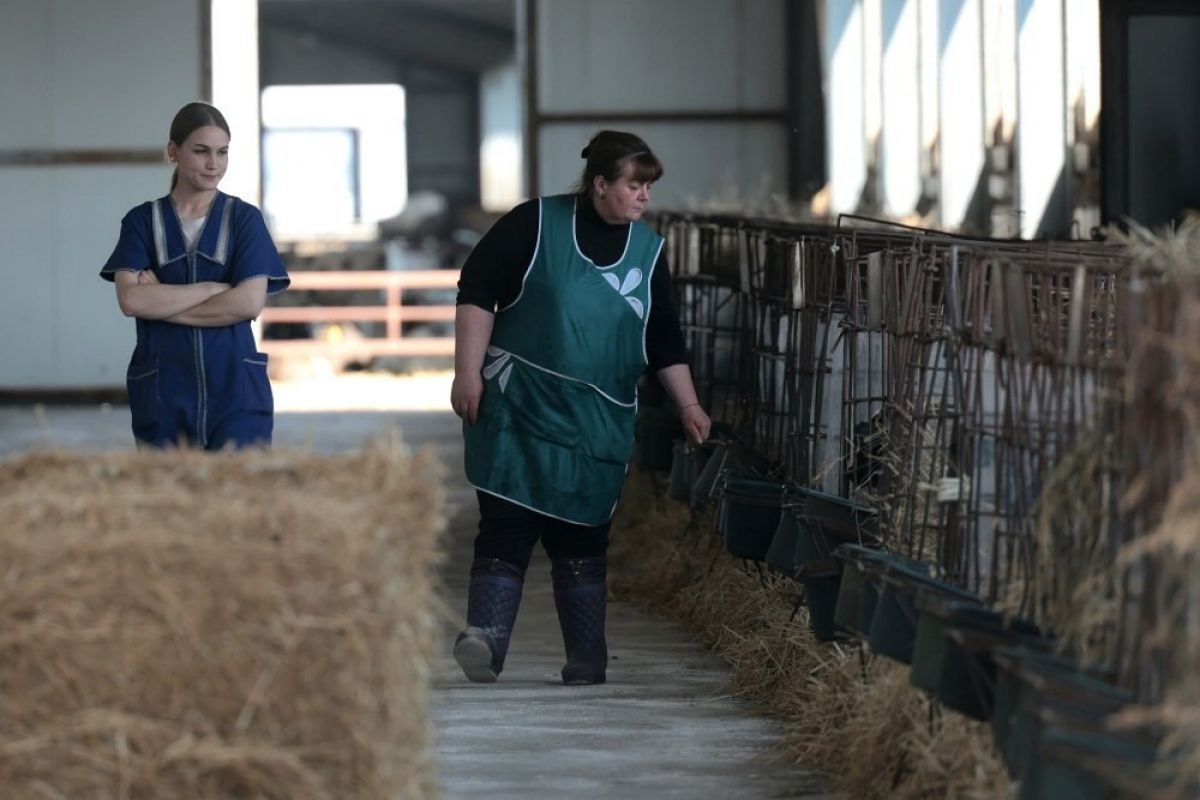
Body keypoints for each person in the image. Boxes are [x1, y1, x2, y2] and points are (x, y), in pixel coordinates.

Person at [451, 130, 711, 686]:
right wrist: (467, 371)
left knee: (583, 530)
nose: (644, 197)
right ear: (600, 185)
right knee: (507, 521)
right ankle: (485, 640)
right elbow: (476, 286)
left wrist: (688, 404)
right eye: (634, 185)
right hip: (518, 403)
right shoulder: (535, 224)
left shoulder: (649, 251)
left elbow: (663, 337)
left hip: (598, 417)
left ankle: (587, 655)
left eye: (648, 187)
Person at [100, 102, 290, 449]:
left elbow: (248, 304)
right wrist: (212, 289)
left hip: (234, 389)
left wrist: (162, 303)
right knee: (170, 497)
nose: (213, 164)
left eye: (222, 152)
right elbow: (131, 300)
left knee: (239, 496)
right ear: (173, 151)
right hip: (163, 391)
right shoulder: (142, 222)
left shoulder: (244, 220)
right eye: (201, 151)